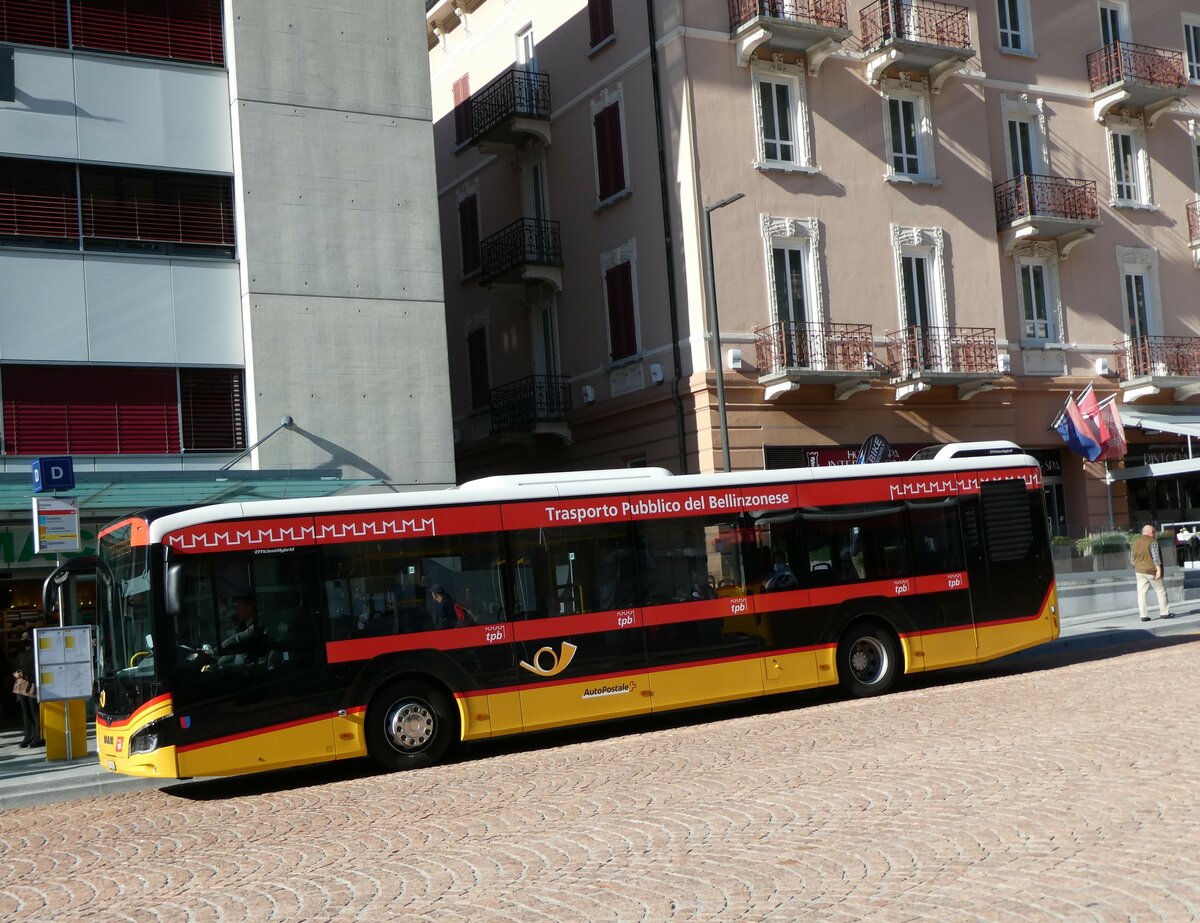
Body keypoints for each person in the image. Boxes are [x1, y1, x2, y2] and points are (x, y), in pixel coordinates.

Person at [1130, 524, 1172, 623]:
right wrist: (1159, 570)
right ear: (1151, 532)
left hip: (1139, 571)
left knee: (1141, 593)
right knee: (1160, 590)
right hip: (1151, 571)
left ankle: (1143, 615)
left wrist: (1137, 567)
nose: (1155, 534)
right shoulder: (1152, 542)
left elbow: (1132, 559)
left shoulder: (1135, 542)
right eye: (1154, 532)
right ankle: (1164, 613)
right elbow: (1155, 557)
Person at [13, 632, 43, 748]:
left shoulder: (35, 653)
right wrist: (17, 674)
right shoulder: (21, 653)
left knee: (34, 711)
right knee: (26, 712)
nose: (25, 641)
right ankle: (28, 736)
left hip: (32, 685)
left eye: (27, 639)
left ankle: (37, 736)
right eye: (23, 638)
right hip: (22, 685)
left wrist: (26, 673)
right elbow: (15, 668)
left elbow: (37, 669)